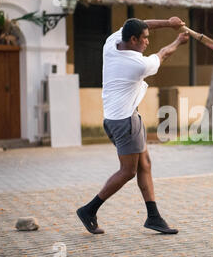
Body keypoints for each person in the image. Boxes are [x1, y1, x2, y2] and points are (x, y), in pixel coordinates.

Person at [76, 17, 189, 235]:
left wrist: (168, 21)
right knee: (128, 171)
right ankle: (89, 210)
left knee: (144, 163)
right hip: (124, 120)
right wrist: (178, 40)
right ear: (134, 39)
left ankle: (153, 217)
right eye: (145, 39)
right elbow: (163, 54)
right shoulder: (138, 64)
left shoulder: (111, 42)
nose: (148, 42)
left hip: (119, 116)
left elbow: (141, 22)